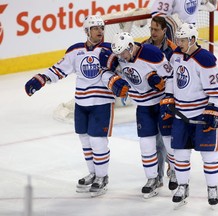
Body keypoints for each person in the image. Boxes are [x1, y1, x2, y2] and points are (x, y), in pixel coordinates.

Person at [24, 15, 129, 197]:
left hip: (101, 102)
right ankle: (93, 173)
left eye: (101, 28)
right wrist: (41, 78)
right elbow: (59, 69)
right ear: (87, 31)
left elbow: (125, 68)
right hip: (81, 102)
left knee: (98, 141)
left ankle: (102, 177)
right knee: (85, 140)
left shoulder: (110, 50)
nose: (100, 31)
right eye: (95, 28)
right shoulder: (75, 51)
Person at [160, 23, 218, 205]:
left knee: (209, 155)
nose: (178, 43)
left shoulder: (205, 59)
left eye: (182, 40)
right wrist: (169, 97)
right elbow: (171, 78)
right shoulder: (176, 55)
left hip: (201, 115)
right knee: (179, 152)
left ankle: (212, 189)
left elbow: (217, 90)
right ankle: (182, 186)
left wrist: (214, 109)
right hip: (181, 115)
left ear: (193, 40)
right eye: (178, 39)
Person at [108, 32, 177, 198]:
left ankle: (176, 172)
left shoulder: (152, 54)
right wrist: (113, 81)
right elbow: (106, 71)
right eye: (118, 54)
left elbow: (172, 76)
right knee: (146, 144)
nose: (120, 57)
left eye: (122, 52)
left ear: (131, 47)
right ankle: (152, 179)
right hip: (143, 106)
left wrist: (167, 94)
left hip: (161, 103)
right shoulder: (119, 57)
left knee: (168, 140)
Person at [142, 16, 177, 185]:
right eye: (151, 29)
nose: (153, 32)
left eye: (156, 29)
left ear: (164, 30)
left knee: (168, 138)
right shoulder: (143, 47)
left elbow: (176, 75)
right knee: (155, 141)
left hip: (167, 102)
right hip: (150, 101)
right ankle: (157, 177)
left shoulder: (173, 50)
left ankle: (175, 170)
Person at [150, 0, 218, 42]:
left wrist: (207, 2)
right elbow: (157, 14)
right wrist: (173, 22)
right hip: (173, 34)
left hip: (191, 32)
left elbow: (212, 7)